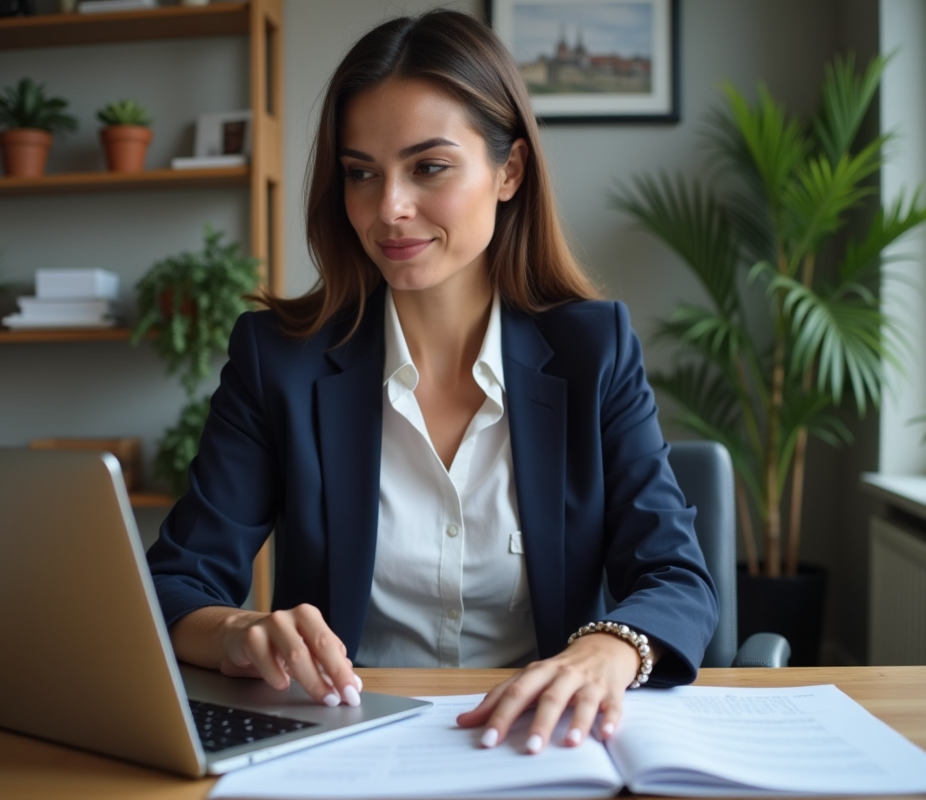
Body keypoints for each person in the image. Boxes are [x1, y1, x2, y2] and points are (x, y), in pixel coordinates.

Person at [146, 9, 718, 755]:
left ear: (508, 171)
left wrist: (604, 651)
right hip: (341, 749)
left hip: (535, 747)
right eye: (361, 173)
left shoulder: (592, 349)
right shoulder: (278, 360)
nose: (389, 209)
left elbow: (676, 577)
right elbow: (174, 585)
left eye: (429, 167)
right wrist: (241, 630)